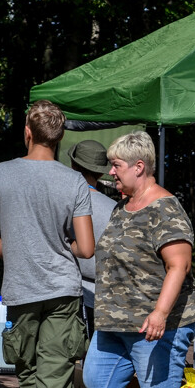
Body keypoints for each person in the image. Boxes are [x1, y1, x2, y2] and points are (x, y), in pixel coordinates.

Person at [0, 100, 105, 388]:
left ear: (27, 133)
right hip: (63, 289)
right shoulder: (73, 182)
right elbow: (86, 249)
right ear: (61, 139)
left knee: (38, 372)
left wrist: (18, 249)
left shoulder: (0, 174)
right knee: (45, 374)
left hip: (22, 287)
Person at [84, 131, 195, 388]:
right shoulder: (124, 206)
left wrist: (160, 313)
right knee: (98, 381)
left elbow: (179, 264)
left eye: (117, 167)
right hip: (116, 323)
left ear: (140, 166)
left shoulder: (165, 208)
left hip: (157, 324)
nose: (111, 174)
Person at [67, 139, 117, 337]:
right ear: (100, 172)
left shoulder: (61, 201)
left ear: (72, 165)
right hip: (101, 296)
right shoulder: (114, 208)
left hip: (64, 291)